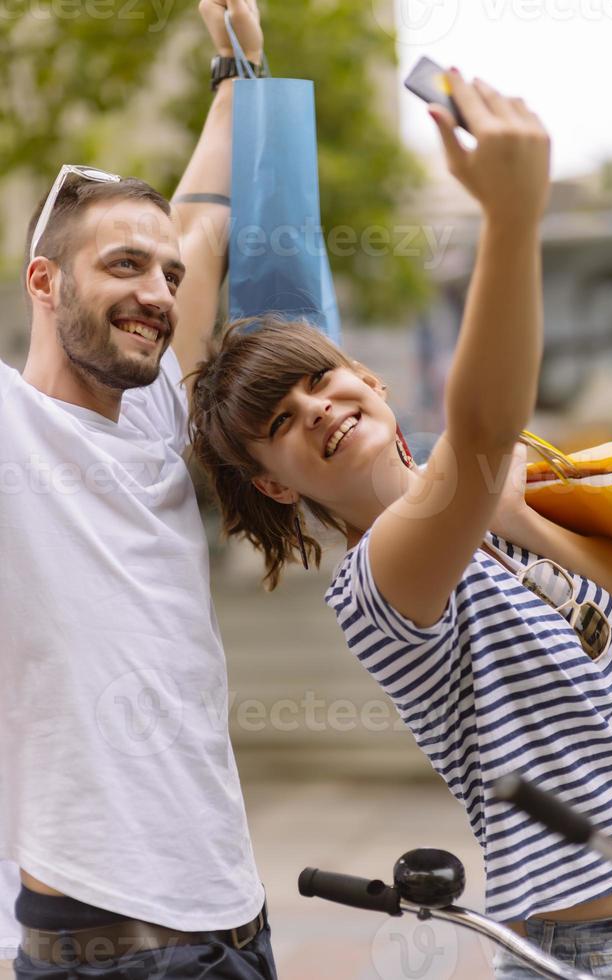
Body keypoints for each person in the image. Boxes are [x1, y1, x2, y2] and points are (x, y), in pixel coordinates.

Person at [187, 71, 612, 979]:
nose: (315, 408)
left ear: (372, 379)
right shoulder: (378, 584)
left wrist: (516, 514)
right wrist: (511, 217)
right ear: (274, 486)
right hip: (587, 953)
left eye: (321, 380)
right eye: (279, 422)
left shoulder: (496, 509)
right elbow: (479, 425)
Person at [0, 1, 278, 978]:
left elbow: (202, 221)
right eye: (123, 263)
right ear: (43, 280)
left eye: (165, 274)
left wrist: (235, 75)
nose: (159, 291)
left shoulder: (159, 408)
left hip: (238, 919)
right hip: (103, 941)